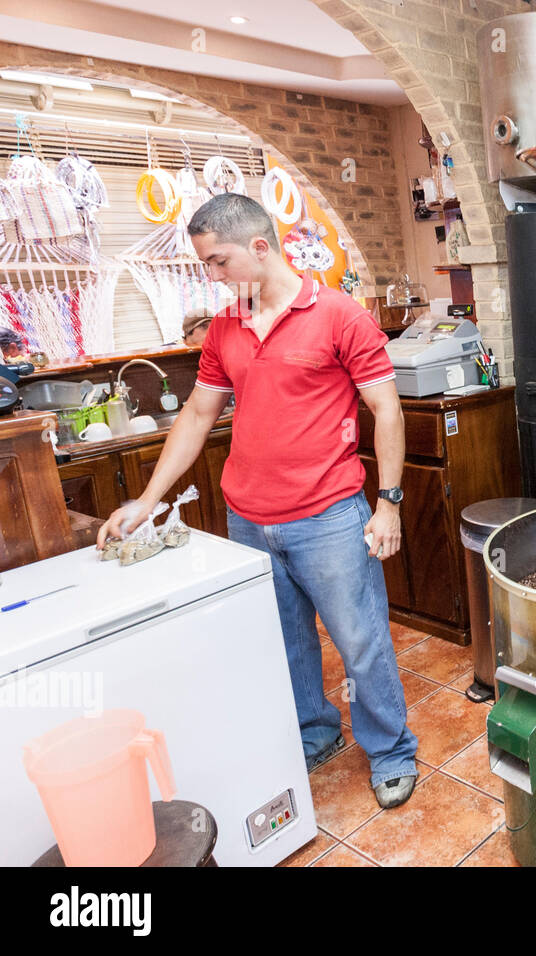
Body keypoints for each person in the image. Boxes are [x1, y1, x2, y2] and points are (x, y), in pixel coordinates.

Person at [98, 193, 419, 810]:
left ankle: (390, 751)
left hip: (329, 516)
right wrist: (145, 499)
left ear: (260, 247)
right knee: (285, 639)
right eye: (206, 265)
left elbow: (386, 408)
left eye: (218, 261)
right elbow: (197, 414)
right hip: (247, 519)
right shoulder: (225, 328)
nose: (211, 276)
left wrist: (389, 503)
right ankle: (316, 734)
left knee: (361, 640)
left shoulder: (340, 315)